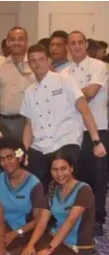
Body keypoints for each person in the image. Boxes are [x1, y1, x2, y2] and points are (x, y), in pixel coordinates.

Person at [21, 44, 106, 188]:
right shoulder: (29, 91)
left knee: (64, 185)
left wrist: (96, 142)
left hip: (65, 141)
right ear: (29, 64)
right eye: (33, 60)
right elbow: (28, 125)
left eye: (41, 59)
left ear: (48, 61)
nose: (37, 63)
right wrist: (23, 152)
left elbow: (85, 110)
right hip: (40, 145)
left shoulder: (64, 80)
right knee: (33, 186)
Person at [11, 152, 95, 255]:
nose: (59, 174)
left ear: (71, 168)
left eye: (63, 168)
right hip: (54, 240)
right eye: (55, 169)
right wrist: (30, 245)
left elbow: (70, 222)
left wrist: (48, 250)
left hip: (76, 250)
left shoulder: (84, 190)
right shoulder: (52, 189)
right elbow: (42, 222)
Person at [60, 31, 109, 236]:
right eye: (73, 43)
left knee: (98, 176)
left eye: (80, 42)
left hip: (97, 129)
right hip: (72, 132)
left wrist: (71, 95)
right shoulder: (63, 72)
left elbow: (90, 93)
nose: (77, 46)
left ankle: (97, 217)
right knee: (77, 176)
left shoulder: (99, 66)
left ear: (86, 45)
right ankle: (79, 216)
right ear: (68, 47)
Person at [0, 139, 50, 252]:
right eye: (2, 159)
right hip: (2, 227)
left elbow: (37, 220)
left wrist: (15, 233)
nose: (6, 162)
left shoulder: (34, 184)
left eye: (10, 157)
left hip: (23, 232)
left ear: (19, 157)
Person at [0, 26, 35, 140]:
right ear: (7, 42)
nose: (16, 43)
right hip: (3, 122)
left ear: (26, 42)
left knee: (24, 154)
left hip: (29, 122)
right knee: (5, 155)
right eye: (12, 39)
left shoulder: (36, 64)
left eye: (21, 39)